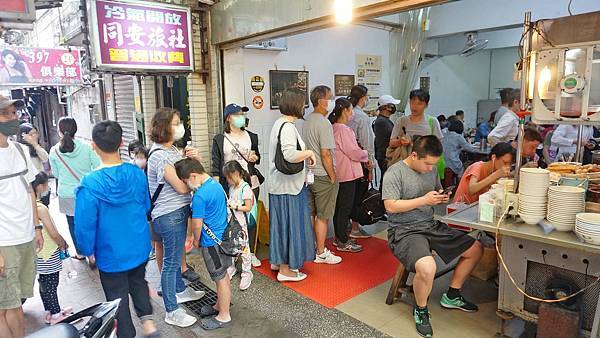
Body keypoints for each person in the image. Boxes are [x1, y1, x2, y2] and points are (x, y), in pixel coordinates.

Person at [382, 135, 483, 338]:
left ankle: (452, 295)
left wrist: (440, 197)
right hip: (404, 230)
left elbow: (432, 193)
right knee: (428, 268)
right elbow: (390, 206)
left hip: (430, 224)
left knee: (476, 249)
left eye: (433, 164)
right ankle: (420, 309)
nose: (430, 169)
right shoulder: (395, 172)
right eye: (427, 164)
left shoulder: (432, 169)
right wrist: (423, 200)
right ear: (414, 155)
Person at [74, 121, 159, 338]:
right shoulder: (136, 173)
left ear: (94, 146)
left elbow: (84, 224)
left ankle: (126, 333)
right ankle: (149, 325)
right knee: (139, 282)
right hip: (138, 246)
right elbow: (146, 206)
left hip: (109, 252)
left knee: (116, 295)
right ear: (121, 142)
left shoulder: (89, 184)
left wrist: (86, 249)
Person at [146, 107, 204, 328]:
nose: (180, 127)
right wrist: (195, 182)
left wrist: (194, 159)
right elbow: (181, 187)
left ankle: (180, 291)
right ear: (163, 127)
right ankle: (171, 309)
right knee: (171, 264)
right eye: (175, 123)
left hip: (175, 214)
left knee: (176, 257)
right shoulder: (160, 155)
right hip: (168, 215)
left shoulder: (171, 151)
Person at [0, 95, 43, 338]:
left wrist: (37, 226)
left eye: (14, 113)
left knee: (17, 300)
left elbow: (30, 190)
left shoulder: (19, 149)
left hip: (25, 237)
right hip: (3, 242)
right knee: (9, 306)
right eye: (6, 114)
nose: (13, 118)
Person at [175, 158, 232, 331]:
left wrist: (196, 241)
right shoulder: (216, 186)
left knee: (219, 278)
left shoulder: (200, 195)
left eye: (186, 181)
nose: (187, 185)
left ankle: (224, 315)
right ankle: (219, 305)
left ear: (193, 176)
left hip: (211, 243)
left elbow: (197, 224)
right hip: (223, 238)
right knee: (223, 275)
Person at [268, 88, 317, 282]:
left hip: (280, 185)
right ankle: (286, 270)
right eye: (303, 103)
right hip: (288, 187)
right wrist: (309, 153)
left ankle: (279, 261)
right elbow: (289, 154)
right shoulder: (287, 127)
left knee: (281, 226)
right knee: (290, 226)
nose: (305, 106)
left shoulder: (279, 123)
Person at [211, 103, 262, 268]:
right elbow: (216, 165)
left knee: (250, 218)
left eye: (243, 114)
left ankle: (251, 252)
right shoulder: (220, 139)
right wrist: (219, 189)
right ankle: (232, 253)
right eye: (238, 114)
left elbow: (257, 157)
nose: (242, 117)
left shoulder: (251, 136)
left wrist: (255, 157)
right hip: (229, 186)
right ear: (228, 118)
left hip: (249, 183)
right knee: (230, 219)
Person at [48, 117, 100, 264]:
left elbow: (56, 175)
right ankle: (94, 252)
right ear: (75, 129)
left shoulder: (54, 151)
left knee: (72, 223)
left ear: (59, 131)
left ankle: (80, 253)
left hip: (66, 193)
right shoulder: (87, 146)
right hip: (86, 191)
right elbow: (97, 167)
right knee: (90, 222)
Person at [303, 85, 342, 265]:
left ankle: (311, 247)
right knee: (323, 215)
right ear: (321, 101)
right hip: (322, 174)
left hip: (308, 174)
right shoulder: (324, 123)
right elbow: (325, 153)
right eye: (330, 97)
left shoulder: (307, 121)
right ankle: (320, 252)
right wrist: (332, 175)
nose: (332, 101)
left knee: (311, 213)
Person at [32, 172, 73, 325]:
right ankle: (56, 314)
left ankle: (50, 311)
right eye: (46, 184)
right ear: (39, 187)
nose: (48, 186)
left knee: (44, 282)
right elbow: (53, 233)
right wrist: (62, 242)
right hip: (47, 252)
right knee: (51, 283)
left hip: (39, 253)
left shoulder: (30, 206)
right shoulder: (40, 208)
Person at [329, 98, 368, 252]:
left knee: (339, 208)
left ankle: (340, 237)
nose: (352, 112)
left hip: (339, 173)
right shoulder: (343, 129)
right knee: (345, 208)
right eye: (351, 109)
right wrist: (365, 153)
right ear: (345, 110)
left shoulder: (333, 127)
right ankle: (343, 241)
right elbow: (353, 152)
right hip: (348, 174)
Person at [347, 85, 375, 239]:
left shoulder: (344, 114)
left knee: (346, 196)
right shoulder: (361, 117)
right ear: (363, 97)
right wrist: (370, 166)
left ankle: (344, 225)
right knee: (358, 196)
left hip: (344, 163)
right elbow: (367, 144)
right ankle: (355, 228)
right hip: (359, 162)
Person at [222, 160, 255, 290]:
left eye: (229, 177)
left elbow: (248, 207)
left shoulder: (245, 188)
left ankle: (247, 272)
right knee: (231, 245)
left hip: (241, 223)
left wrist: (235, 206)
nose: (227, 180)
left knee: (244, 248)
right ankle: (231, 267)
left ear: (236, 174)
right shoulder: (231, 187)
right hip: (231, 222)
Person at [18, 123, 50, 205]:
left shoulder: (36, 147)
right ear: (23, 136)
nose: (34, 136)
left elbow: (45, 158)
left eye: (35, 133)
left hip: (42, 186)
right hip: (30, 189)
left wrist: (35, 145)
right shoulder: (20, 150)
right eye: (31, 134)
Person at [373, 95, 400, 188]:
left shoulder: (385, 120)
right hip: (385, 156)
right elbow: (389, 139)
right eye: (391, 105)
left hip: (385, 155)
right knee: (386, 181)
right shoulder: (381, 122)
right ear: (386, 107)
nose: (393, 108)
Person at [442, 120, 478, 188]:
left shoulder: (444, 133)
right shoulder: (458, 137)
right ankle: (460, 187)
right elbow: (469, 148)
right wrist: (478, 147)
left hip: (442, 161)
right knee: (461, 169)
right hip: (451, 161)